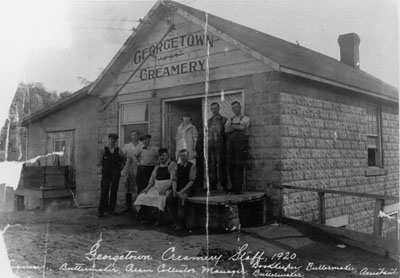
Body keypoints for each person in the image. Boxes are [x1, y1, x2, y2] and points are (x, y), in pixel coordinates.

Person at [134, 148, 176, 226]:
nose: (161, 157)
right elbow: (152, 180)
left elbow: (172, 180)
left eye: (163, 155)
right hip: (156, 188)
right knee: (142, 196)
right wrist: (146, 189)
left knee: (161, 198)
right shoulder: (157, 166)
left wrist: (165, 189)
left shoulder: (171, 165)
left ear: (167, 155)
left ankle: (159, 219)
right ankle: (144, 217)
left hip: (167, 188)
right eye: (160, 156)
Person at [166, 149, 196, 231]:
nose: (183, 157)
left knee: (181, 199)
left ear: (188, 156)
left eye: (184, 155)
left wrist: (181, 192)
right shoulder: (177, 166)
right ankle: (175, 220)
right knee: (169, 199)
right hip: (178, 188)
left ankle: (181, 223)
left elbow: (191, 181)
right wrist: (174, 190)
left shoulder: (192, 166)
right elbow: (175, 179)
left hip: (187, 189)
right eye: (181, 155)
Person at [97, 133, 126, 217]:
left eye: (114, 139)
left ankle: (111, 210)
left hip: (115, 173)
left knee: (114, 190)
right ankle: (101, 210)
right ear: (108, 139)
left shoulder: (119, 150)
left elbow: (124, 159)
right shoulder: (104, 149)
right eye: (111, 139)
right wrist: (101, 167)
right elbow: (99, 162)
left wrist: (121, 167)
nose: (112, 141)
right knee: (104, 190)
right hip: (106, 173)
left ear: (116, 141)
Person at [225, 101, 250, 194]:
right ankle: (233, 187)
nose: (235, 109)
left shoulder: (245, 118)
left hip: (241, 146)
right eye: (233, 108)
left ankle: (238, 188)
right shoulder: (230, 119)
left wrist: (232, 126)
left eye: (236, 107)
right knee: (231, 166)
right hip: (231, 146)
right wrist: (236, 126)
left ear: (240, 107)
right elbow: (226, 129)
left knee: (239, 165)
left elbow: (242, 127)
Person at [207, 102, 228, 192]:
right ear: (211, 110)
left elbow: (226, 134)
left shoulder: (224, 120)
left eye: (216, 108)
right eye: (213, 109)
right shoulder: (209, 121)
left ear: (219, 109)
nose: (214, 110)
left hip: (221, 146)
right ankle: (212, 185)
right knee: (211, 166)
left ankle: (224, 185)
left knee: (222, 166)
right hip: (211, 146)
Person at [122, 130, 144, 213]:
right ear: (131, 137)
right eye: (132, 135)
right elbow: (123, 156)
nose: (134, 136)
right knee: (128, 187)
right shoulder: (127, 146)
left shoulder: (141, 145)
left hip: (139, 168)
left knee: (138, 187)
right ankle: (129, 207)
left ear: (138, 135)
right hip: (129, 168)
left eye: (135, 135)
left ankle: (139, 207)